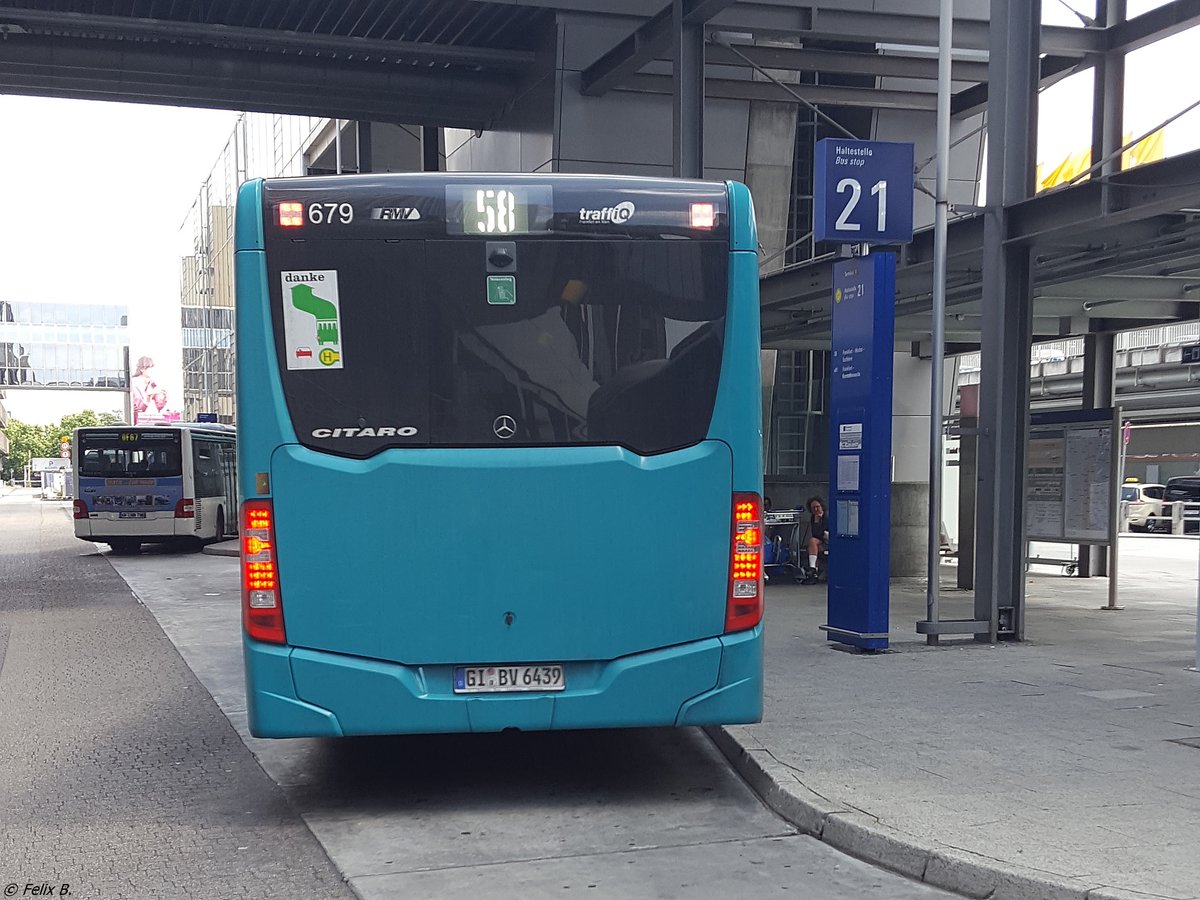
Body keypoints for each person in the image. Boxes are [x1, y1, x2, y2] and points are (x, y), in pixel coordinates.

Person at [130, 356, 168, 424]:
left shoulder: (154, 384)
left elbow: (159, 406)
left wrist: (164, 397)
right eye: (149, 368)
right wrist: (148, 397)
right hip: (138, 422)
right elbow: (138, 408)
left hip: (153, 421)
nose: (152, 370)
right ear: (142, 369)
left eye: (152, 368)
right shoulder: (134, 383)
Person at [802, 496, 829, 584]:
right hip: (820, 541)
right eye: (813, 508)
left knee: (813, 543)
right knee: (813, 546)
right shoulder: (814, 518)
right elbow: (816, 534)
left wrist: (819, 522)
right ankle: (813, 572)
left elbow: (822, 534)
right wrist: (816, 521)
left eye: (817, 507)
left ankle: (813, 569)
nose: (816, 509)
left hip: (828, 541)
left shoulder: (827, 517)